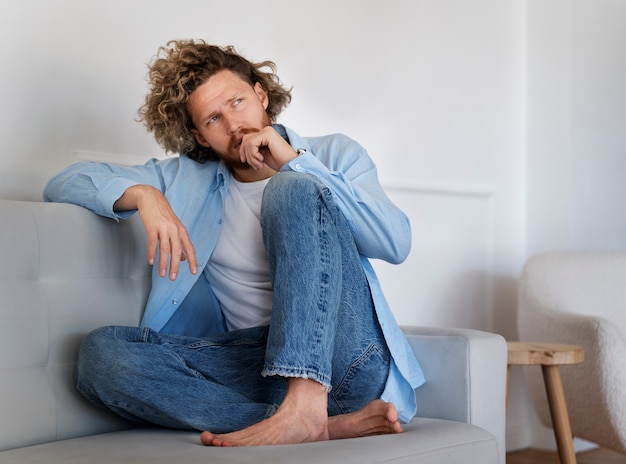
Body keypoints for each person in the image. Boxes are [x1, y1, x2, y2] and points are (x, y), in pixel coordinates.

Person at [43, 39, 425, 447]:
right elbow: (63, 183)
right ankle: (315, 424)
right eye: (213, 119)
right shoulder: (184, 180)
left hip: (347, 358)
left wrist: (296, 163)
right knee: (101, 357)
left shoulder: (334, 154)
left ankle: (306, 403)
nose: (233, 125)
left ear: (261, 95)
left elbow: (395, 241)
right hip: (258, 366)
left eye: (238, 102)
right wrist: (144, 195)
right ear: (200, 136)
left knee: (292, 190)